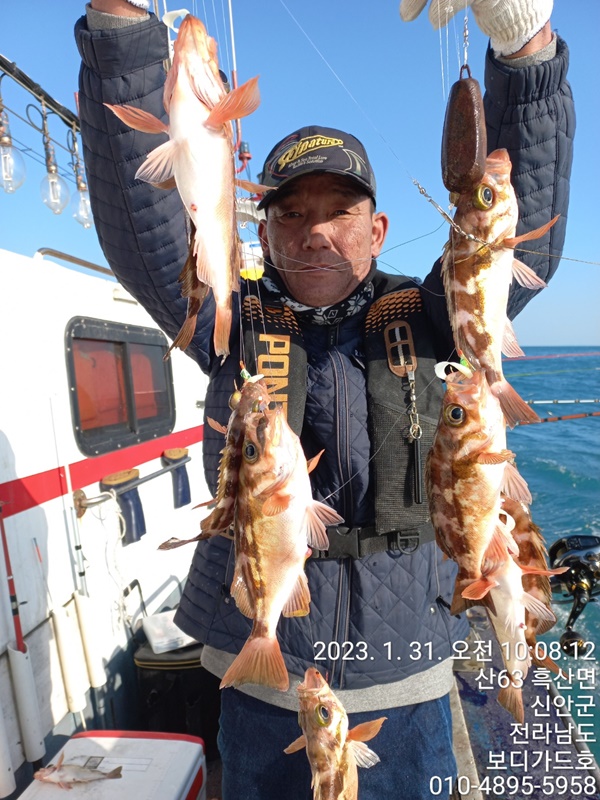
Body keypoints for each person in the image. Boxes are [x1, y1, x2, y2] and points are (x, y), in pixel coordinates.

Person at [75, 1, 574, 797]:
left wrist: (527, 55)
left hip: (406, 675)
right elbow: (148, 228)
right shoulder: (230, 321)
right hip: (267, 679)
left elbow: (508, 237)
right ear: (263, 231)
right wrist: (120, 27)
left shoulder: (432, 316)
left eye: (339, 211)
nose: (315, 232)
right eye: (292, 213)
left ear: (377, 230)